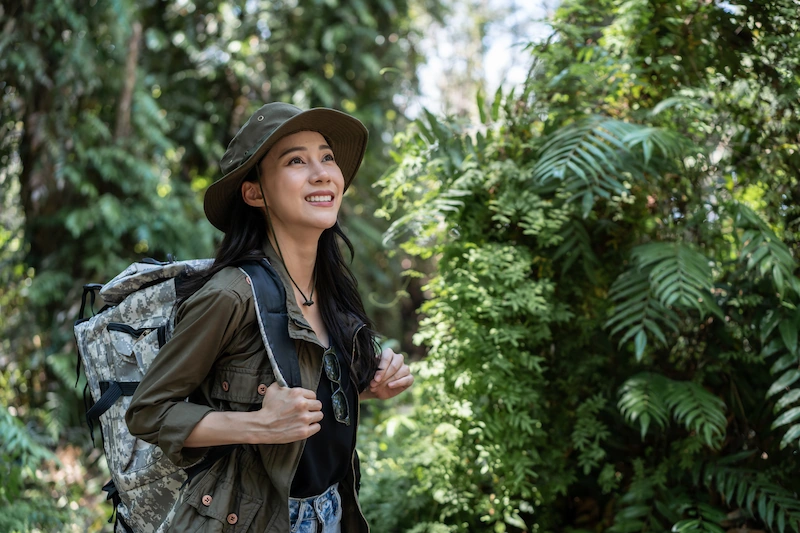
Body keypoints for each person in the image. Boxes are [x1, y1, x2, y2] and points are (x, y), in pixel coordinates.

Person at [126, 102, 414, 533]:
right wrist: (259, 425)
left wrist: (370, 387)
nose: (322, 173)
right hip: (250, 520)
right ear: (254, 193)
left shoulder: (331, 289)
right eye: (296, 161)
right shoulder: (230, 295)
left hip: (333, 512)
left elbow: (309, 401)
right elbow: (147, 413)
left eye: (327, 157)